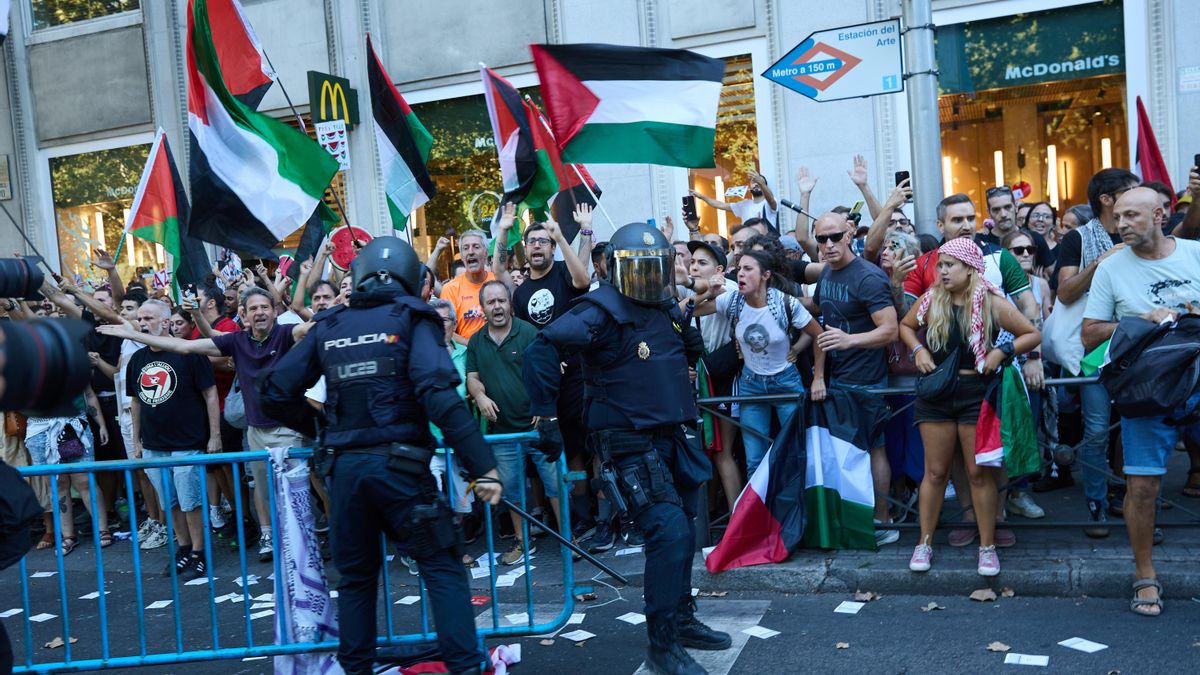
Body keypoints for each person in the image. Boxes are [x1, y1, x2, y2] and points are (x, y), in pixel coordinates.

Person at [258, 236, 502, 675]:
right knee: (442, 570)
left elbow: (274, 390)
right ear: (412, 277)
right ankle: (466, 669)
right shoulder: (414, 317)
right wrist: (483, 465)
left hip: (347, 475)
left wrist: (323, 431)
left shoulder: (330, 325)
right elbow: (439, 394)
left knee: (356, 583)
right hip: (402, 471)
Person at [524, 222, 730, 675]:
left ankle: (681, 618)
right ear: (617, 270)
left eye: (653, 269)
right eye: (637, 270)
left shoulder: (665, 308)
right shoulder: (598, 311)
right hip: (628, 440)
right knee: (669, 531)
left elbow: (687, 354)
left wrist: (688, 326)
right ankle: (661, 647)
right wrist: (547, 417)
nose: (646, 279)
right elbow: (543, 347)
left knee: (687, 528)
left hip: (672, 436)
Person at [98, 287, 311, 564]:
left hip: (287, 429)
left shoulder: (287, 333)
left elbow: (311, 326)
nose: (260, 312)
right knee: (264, 492)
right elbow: (186, 346)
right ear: (244, 315)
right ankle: (276, 544)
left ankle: (303, 550)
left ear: (274, 311)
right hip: (255, 430)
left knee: (294, 494)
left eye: (265, 307)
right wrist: (133, 334)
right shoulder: (237, 340)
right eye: (254, 308)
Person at [1081, 186, 1200, 617]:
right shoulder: (1112, 268)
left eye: (1132, 215)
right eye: (1118, 217)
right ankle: (1145, 575)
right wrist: (1140, 321)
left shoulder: (1193, 253)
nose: (1122, 223)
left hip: (1197, 381)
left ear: (1161, 214)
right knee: (1143, 487)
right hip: (1147, 392)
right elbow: (1089, 333)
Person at [901, 238, 1040, 577]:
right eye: (940, 264)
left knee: (979, 473)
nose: (941, 271)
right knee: (934, 472)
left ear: (969, 268)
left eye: (949, 265)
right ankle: (925, 542)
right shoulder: (931, 300)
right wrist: (918, 351)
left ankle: (987, 547)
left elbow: (1031, 334)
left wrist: (1001, 352)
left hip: (976, 393)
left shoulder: (991, 301)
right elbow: (905, 326)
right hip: (936, 394)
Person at [1050, 168, 1141, 536]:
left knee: (1137, 427)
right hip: (1094, 351)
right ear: (1106, 199)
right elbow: (1066, 292)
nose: (1138, 200)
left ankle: (1139, 507)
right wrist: (1101, 262)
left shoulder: (1144, 234)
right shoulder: (1077, 238)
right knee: (1098, 429)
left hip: (1139, 347)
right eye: (1131, 193)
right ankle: (1096, 504)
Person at [810, 212, 900, 544]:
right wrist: (819, 374)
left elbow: (890, 330)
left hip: (867, 382)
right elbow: (822, 323)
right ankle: (856, 520)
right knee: (847, 455)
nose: (829, 245)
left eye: (835, 237)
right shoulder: (827, 275)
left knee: (873, 450)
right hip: (837, 381)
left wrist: (850, 340)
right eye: (822, 239)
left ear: (849, 234)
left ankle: (883, 522)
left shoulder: (868, 277)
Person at [694, 250, 825, 477]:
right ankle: (762, 512)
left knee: (795, 456)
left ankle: (796, 511)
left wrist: (818, 378)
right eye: (738, 269)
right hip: (751, 383)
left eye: (747, 269)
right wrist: (707, 292)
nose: (740, 274)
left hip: (785, 382)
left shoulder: (785, 303)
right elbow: (686, 310)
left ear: (765, 275)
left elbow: (819, 335)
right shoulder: (733, 300)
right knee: (755, 461)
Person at [125, 300, 221, 580]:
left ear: (166, 322)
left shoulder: (190, 353)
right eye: (140, 318)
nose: (143, 323)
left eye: (149, 318)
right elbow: (136, 402)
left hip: (187, 443)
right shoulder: (137, 359)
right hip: (154, 445)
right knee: (171, 503)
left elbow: (211, 394)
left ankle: (199, 554)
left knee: (191, 501)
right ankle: (183, 549)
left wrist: (214, 435)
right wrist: (137, 440)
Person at [467, 281, 560, 565]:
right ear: (482, 307)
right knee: (512, 491)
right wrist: (480, 397)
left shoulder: (529, 332)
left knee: (556, 485)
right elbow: (472, 378)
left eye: (501, 301)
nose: (497, 307)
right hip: (503, 432)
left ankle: (568, 539)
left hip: (537, 428)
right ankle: (522, 542)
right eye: (491, 302)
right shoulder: (476, 341)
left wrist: (543, 407)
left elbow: (547, 369)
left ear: (510, 303)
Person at [440, 230, 494, 343]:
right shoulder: (450, 289)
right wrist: (473, 347)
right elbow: (445, 330)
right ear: (462, 256)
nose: (470, 252)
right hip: (466, 353)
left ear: (486, 253)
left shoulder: (497, 281)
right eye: (465, 248)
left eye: (476, 247)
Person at [690, 169, 778, 231]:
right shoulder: (744, 204)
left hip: (767, 245)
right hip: (749, 244)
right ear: (749, 186)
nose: (756, 184)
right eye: (753, 182)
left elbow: (771, 200)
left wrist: (760, 182)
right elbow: (720, 205)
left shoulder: (769, 202)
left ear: (764, 186)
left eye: (759, 182)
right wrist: (702, 196)